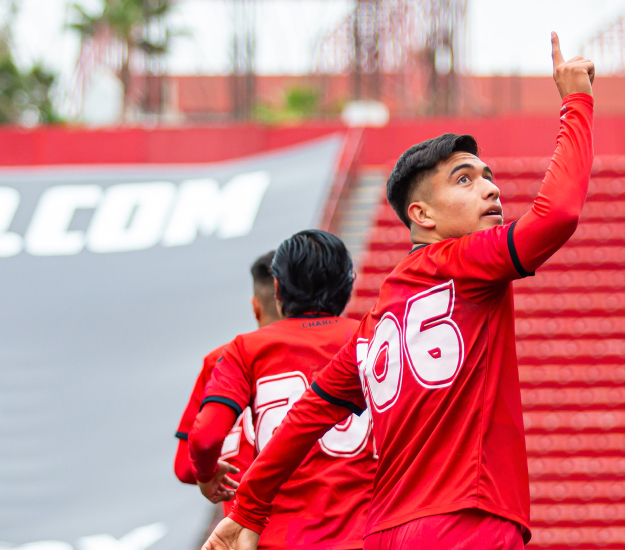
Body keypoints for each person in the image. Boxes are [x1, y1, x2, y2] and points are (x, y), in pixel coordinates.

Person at [203, 32, 594, 550]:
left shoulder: (378, 319)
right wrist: (577, 103)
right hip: (466, 521)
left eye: (487, 176)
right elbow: (558, 213)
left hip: (385, 534)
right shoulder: (468, 261)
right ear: (422, 215)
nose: (491, 187)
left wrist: (249, 508)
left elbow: (304, 418)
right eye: (464, 179)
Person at [190, 230, 375, 550]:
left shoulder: (246, 348)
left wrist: (207, 475)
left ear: (278, 288)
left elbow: (206, 436)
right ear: (348, 286)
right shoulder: (374, 339)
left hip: (275, 537)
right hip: (365, 534)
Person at [173, 251, 281, 517]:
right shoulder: (336, 351)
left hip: (246, 532)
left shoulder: (220, 359)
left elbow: (185, 467)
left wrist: (209, 474)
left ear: (256, 307)